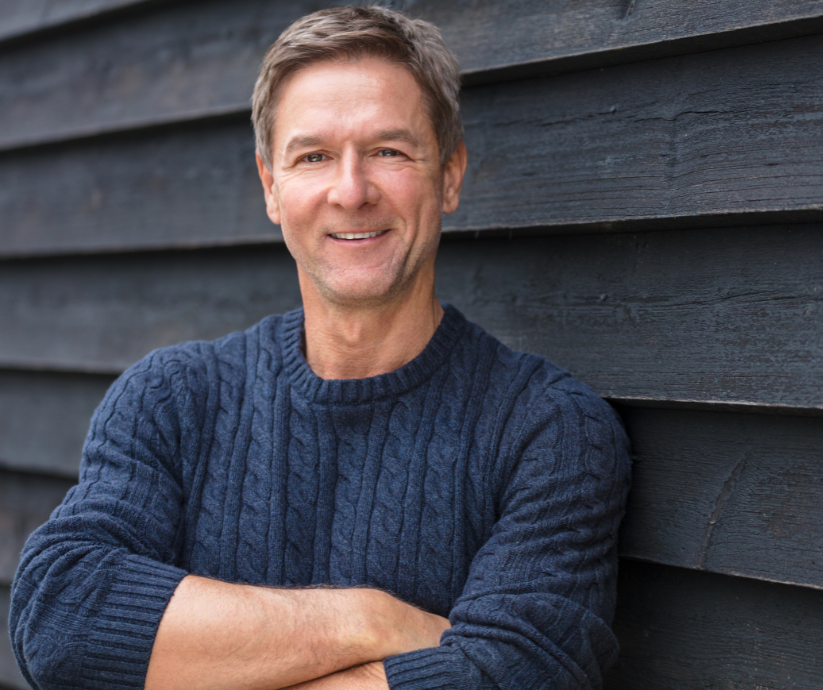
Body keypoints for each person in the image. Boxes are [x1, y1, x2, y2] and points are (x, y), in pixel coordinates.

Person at [10, 6, 630, 689]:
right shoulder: (172, 399)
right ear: (271, 187)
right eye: (313, 156)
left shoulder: (546, 429)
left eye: (389, 151)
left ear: (449, 175)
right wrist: (371, 621)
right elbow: (61, 617)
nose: (350, 190)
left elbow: (515, 674)